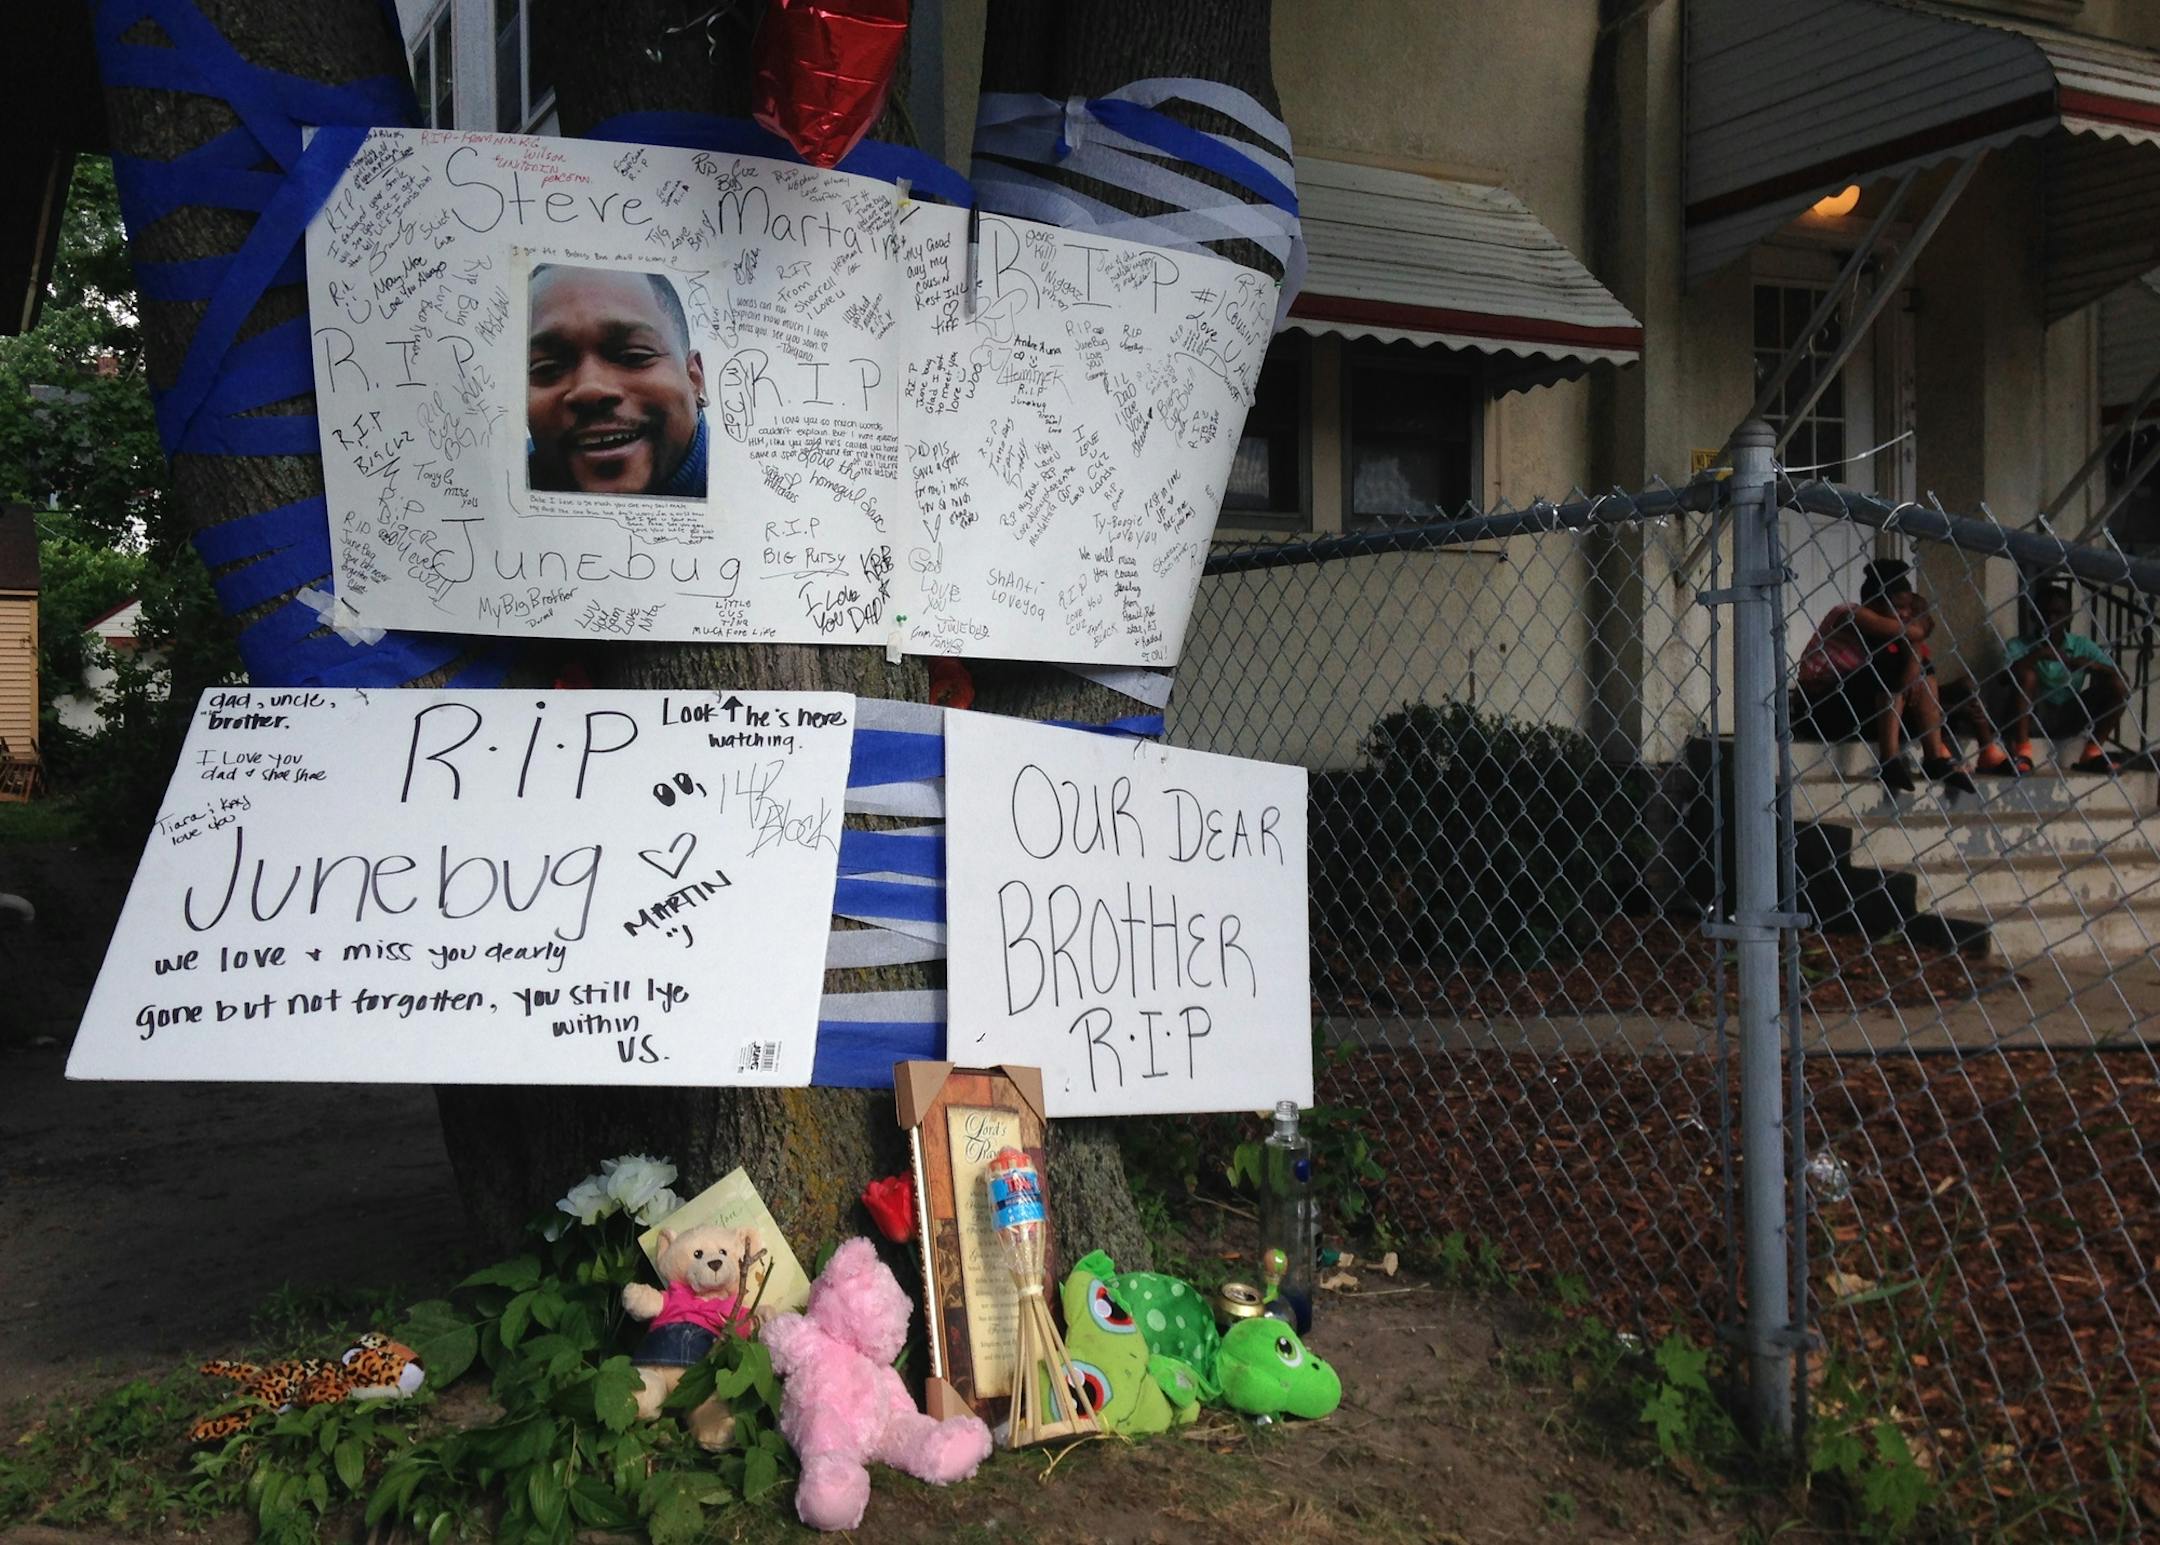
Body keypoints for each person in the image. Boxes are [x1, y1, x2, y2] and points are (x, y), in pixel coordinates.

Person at [1792, 558, 1973, 793]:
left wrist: (1913, 665)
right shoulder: (1850, 614)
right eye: (1898, 606)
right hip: (1821, 708)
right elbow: (1915, 631)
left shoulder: (1894, 631)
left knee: (1919, 667)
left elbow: (1914, 644)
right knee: (1893, 667)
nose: (1905, 613)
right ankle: (1889, 759)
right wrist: (1916, 632)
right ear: (1874, 602)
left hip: (1862, 711)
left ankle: (1934, 757)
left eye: (1908, 608)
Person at [527, 264, 708, 498]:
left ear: (694, 377)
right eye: (547, 368)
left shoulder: (745, 486)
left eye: (634, 357)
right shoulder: (498, 486)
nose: (589, 389)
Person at [1977, 580, 2129, 776]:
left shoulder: (2081, 645)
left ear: (2069, 617)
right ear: (2033, 616)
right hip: (2033, 713)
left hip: (2069, 712)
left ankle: (2091, 753)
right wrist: (2039, 654)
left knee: (2118, 684)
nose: (2050, 619)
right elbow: (2004, 678)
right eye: (2044, 613)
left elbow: (2123, 678)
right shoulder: (2019, 644)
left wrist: (2094, 666)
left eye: (2058, 614)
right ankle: (2023, 751)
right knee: (2027, 675)